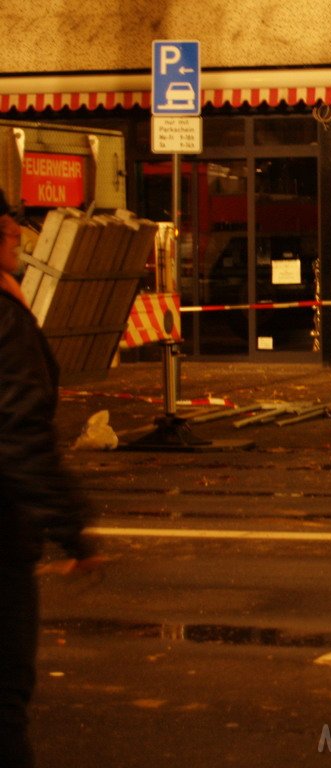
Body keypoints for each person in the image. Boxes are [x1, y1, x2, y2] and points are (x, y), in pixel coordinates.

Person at [0, 189, 102, 767]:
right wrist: (71, 529)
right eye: (10, 228)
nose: (18, 235)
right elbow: (18, 436)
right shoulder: (4, 319)